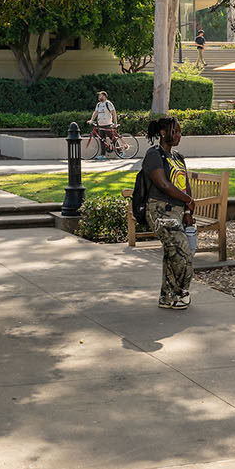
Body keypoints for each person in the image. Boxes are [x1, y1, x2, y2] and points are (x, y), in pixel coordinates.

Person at [132, 116, 195, 309]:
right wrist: (188, 200)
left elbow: (184, 186)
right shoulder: (154, 155)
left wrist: (187, 211)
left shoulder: (178, 157)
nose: (178, 135)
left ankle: (167, 297)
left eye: (180, 132)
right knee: (182, 250)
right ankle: (183, 292)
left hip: (177, 212)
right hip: (159, 211)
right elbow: (163, 184)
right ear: (162, 132)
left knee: (172, 252)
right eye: (175, 131)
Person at [87, 90, 119, 160]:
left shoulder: (108, 103)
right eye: (99, 96)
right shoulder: (98, 104)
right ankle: (102, 155)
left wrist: (115, 123)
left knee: (112, 138)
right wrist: (91, 120)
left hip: (108, 124)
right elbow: (95, 112)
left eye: (101, 95)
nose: (99, 97)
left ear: (104, 96)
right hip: (100, 125)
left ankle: (121, 152)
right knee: (102, 140)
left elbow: (114, 113)